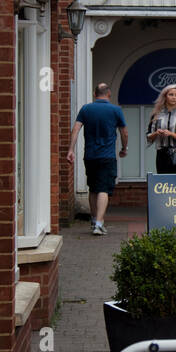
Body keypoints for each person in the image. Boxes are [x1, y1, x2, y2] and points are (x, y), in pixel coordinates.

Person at [67, 82, 128, 236]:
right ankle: (99, 224)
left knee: (93, 188)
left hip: (90, 156)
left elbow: (75, 129)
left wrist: (71, 150)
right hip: (107, 156)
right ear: (109, 94)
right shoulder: (116, 110)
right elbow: (124, 132)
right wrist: (124, 148)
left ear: (95, 94)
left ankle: (94, 220)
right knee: (103, 189)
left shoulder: (86, 109)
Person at [145, 85, 176, 175]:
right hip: (161, 154)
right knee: (163, 183)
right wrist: (156, 133)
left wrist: (171, 134)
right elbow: (148, 136)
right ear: (165, 96)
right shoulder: (156, 113)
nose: (174, 97)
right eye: (171, 94)